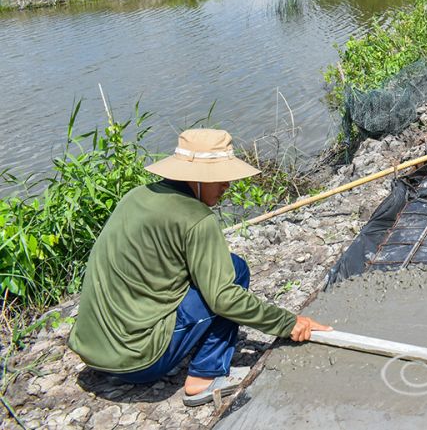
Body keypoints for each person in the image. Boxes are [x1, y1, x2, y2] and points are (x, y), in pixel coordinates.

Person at [68, 129, 331, 407]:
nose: (227, 185)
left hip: (91, 352)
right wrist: (288, 323)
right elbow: (224, 299)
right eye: (220, 177)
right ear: (196, 178)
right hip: (138, 363)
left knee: (215, 274)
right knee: (235, 269)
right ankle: (205, 376)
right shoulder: (197, 218)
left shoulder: (135, 196)